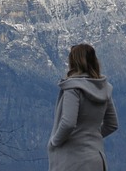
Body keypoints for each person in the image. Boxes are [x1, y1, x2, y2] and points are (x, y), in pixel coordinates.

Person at [48, 43, 118, 171]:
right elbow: (112, 125)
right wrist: (91, 137)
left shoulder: (73, 87)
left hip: (72, 160)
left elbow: (68, 123)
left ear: (73, 62)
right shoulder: (105, 88)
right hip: (96, 158)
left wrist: (54, 142)